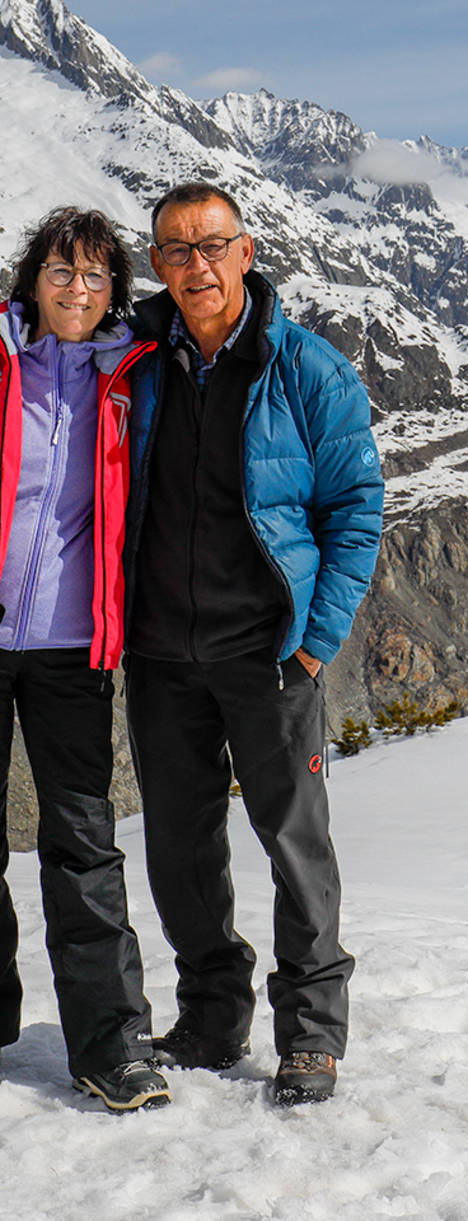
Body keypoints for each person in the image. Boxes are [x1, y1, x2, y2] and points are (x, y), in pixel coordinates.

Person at [125, 182, 383, 1106]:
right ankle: (211, 1013)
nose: (196, 264)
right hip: (160, 652)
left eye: (212, 245)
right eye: (176, 249)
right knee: (179, 844)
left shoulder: (309, 369)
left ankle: (310, 1034)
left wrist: (313, 644)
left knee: (294, 842)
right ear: (157, 264)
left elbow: (356, 510)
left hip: (269, 653)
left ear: (246, 252)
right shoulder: (138, 363)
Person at [0, 207, 171, 1111]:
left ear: (116, 293)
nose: (77, 289)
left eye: (97, 276)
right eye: (62, 271)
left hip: (72, 647)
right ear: (32, 277)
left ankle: (113, 1045)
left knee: (82, 846)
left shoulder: (128, 375)